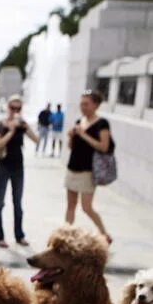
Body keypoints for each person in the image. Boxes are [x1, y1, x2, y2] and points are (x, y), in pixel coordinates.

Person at [0, 94, 38, 248]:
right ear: (8, 107)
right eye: (13, 107)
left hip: (18, 167)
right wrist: (10, 132)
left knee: (18, 203)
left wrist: (25, 126)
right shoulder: (0, 124)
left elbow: (36, 140)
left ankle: (19, 235)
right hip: (3, 166)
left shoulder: (22, 125)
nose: (16, 111)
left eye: (19, 108)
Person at [65, 90, 112, 243]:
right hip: (73, 167)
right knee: (70, 205)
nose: (83, 107)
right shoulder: (80, 121)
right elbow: (72, 147)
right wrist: (72, 137)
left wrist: (83, 134)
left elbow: (103, 147)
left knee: (86, 207)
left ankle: (104, 233)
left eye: (86, 104)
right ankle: (66, 234)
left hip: (88, 170)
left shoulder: (102, 123)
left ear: (96, 105)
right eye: (81, 104)